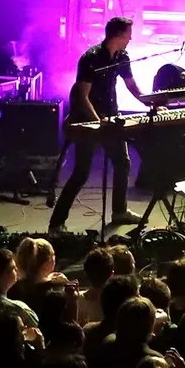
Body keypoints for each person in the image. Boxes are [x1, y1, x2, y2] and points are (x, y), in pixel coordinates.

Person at [52, 16, 148, 231]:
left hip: (110, 118)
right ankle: (56, 223)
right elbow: (82, 95)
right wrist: (97, 122)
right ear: (117, 35)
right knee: (81, 173)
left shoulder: (122, 56)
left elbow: (132, 86)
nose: (130, 39)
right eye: (128, 35)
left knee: (122, 162)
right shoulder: (91, 58)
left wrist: (152, 103)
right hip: (89, 120)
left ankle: (120, 211)